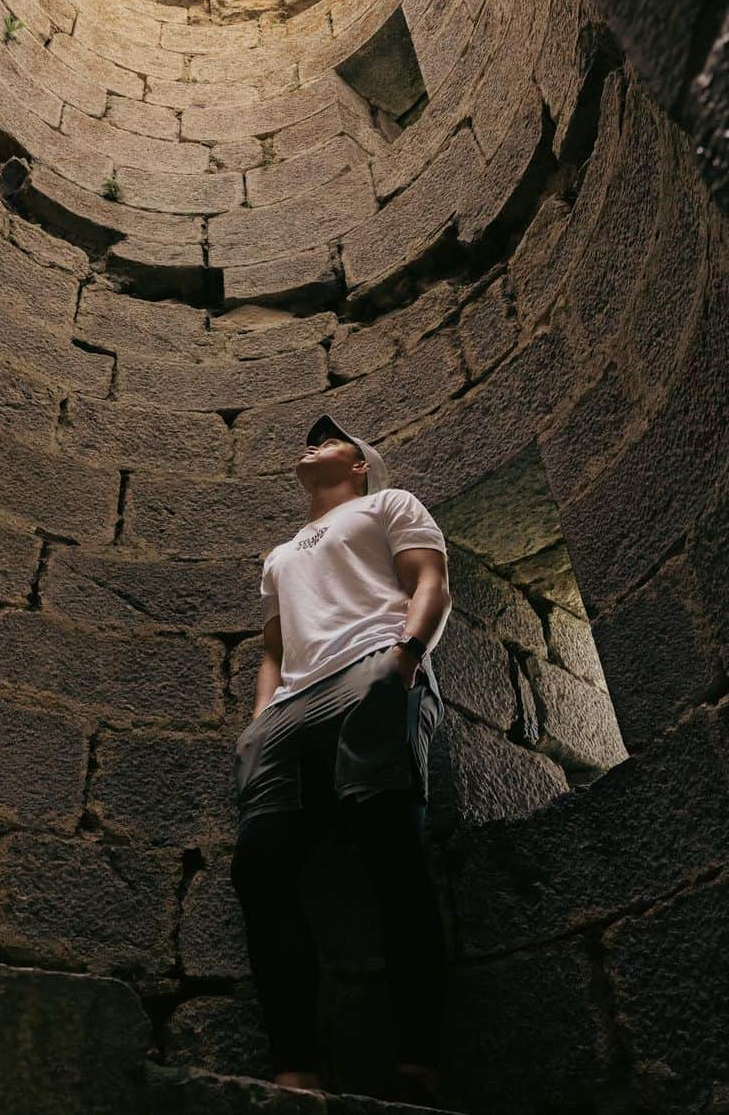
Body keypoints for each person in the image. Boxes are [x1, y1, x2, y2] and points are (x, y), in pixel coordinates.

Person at [229, 413, 454, 1106]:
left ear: (361, 465)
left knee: (390, 850)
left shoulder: (390, 504)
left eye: (333, 438)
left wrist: (406, 660)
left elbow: (431, 581)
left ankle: (417, 1062)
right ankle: (294, 1068)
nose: (314, 440)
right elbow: (273, 647)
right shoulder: (280, 554)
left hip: (373, 669)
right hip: (291, 709)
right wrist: (260, 719)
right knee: (258, 867)